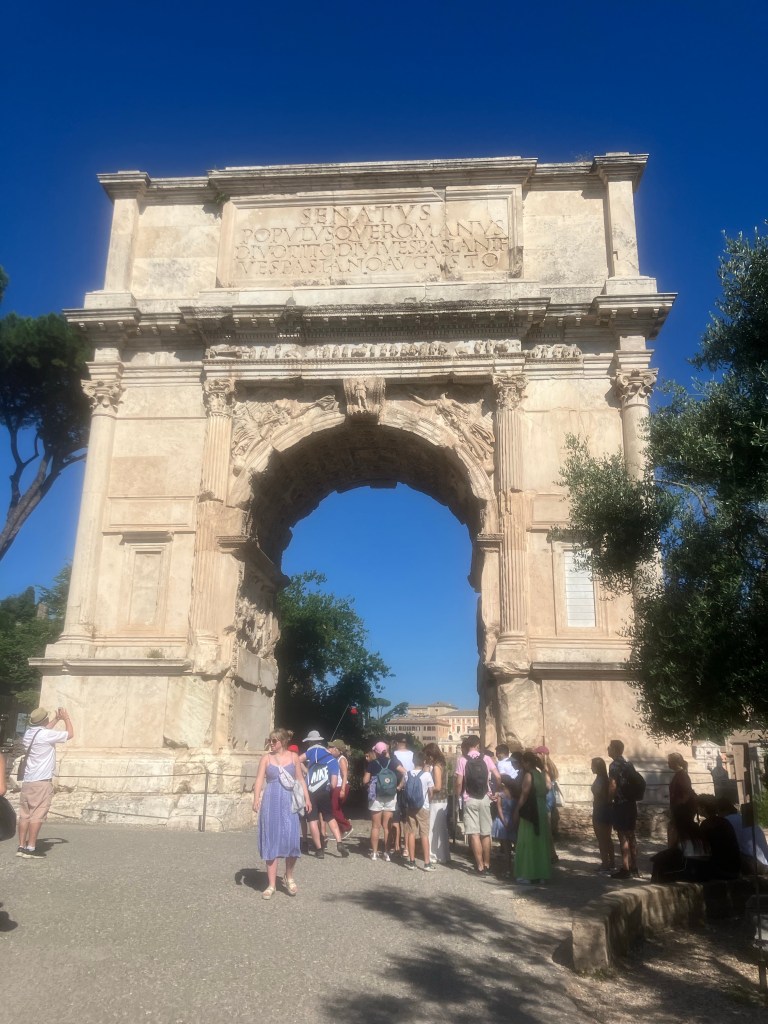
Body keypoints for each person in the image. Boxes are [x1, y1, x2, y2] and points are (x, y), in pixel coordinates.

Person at [252, 729, 311, 899]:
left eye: (274, 741)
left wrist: (307, 798)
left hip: (289, 802)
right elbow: (259, 779)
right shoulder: (266, 758)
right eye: (269, 740)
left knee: (291, 840)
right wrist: (256, 799)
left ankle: (289, 876)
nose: (271, 743)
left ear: (283, 742)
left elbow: (300, 779)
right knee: (271, 840)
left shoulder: (293, 757)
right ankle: (271, 884)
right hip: (270, 802)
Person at [17, 706, 73, 859]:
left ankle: (21, 846)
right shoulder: (46, 735)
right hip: (42, 781)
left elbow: (43, 729)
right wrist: (66, 718)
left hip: (28, 780)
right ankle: (31, 848)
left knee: (24, 815)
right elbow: (70, 734)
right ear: (45, 719)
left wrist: (56, 719)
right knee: (37, 814)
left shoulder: (29, 734)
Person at [454, 734, 501, 875]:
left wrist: (458, 796)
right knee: (486, 833)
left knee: (474, 834)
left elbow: (459, 782)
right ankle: (487, 864)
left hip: (469, 799)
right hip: (485, 797)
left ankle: (480, 866)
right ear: (478, 745)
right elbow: (498, 776)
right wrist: (496, 792)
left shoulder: (462, 760)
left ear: (467, 746)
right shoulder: (486, 758)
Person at [301, 730, 349, 859]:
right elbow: (333, 784)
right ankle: (339, 842)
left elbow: (297, 760)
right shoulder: (333, 760)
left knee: (312, 820)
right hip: (324, 792)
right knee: (330, 817)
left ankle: (319, 850)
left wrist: (307, 771)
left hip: (310, 792)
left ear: (310, 742)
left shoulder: (311, 752)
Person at [512, 750, 552, 884]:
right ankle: (541, 874)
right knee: (540, 841)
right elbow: (547, 788)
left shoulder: (529, 775)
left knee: (527, 840)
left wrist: (517, 810)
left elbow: (524, 795)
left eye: (523, 762)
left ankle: (527, 874)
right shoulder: (541, 774)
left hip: (531, 808)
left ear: (527, 763)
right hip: (541, 807)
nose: (522, 765)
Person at [363, 740, 406, 861]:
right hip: (390, 796)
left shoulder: (372, 763)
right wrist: (399, 786)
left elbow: (365, 780)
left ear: (376, 752)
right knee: (387, 827)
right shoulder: (392, 762)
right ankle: (386, 853)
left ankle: (374, 853)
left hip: (376, 797)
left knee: (375, 826)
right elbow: (405, 772)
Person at [607, 739, 639, 879]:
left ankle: (625, 868)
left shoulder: (614, 765)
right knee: (631, 835)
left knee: (622, 835)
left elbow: (613, 785)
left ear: (614, 749)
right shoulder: (627, 764)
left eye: (609, 747)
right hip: (631, 803)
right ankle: (634, 867)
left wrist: (608, 800)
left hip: (621, 804)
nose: (608, 749)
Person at [403, 751, 435, 870]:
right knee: (424, 834)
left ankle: (412, 861)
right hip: (423, 807)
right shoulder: (427, 775)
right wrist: (429, 800)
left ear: (413, 761)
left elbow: (404, 788)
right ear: (424, 762)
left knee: (411, 832)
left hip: (411, 807)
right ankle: (427, 863)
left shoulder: (407, 774)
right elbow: (431, 792)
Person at [720, 798, 768, 876]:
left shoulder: (726, 821)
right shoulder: (743, 818)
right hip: (764, 861)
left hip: (754, 864)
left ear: (720, 811)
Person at [697, 795, 741, 879]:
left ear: (703, 808)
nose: (697, 809)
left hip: (722, 869)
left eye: (698, 807)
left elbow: (703, 849)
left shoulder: (707, 824)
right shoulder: (725, 821)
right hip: (734, 868)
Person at [423, 742, 450, 864]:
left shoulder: (436, 767)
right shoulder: (442, 764)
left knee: (433, 828)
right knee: (440, 828)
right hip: (442, 800)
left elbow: (437, 786)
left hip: (436, 800)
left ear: (431, 755)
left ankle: (433, 854)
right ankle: (442, 855)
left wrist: (427, 788)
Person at [590, 757, 615, 874]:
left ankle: (605, 864)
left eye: (592, 765)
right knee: (607, 838)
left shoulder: (601, 780)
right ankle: (612, 862)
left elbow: (601, 794)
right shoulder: (606, 779)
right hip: (607, 809)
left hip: (600, 809)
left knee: (601, 839)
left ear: (597, 767)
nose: (591, 767)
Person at [667, 752, 696, 846]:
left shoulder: (682, 775)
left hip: (682, 812)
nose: (668, 763)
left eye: (669, 761)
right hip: (679, 810)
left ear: (675, 762)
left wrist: (678, 807)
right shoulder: (679, 774)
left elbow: (687, 793)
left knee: (679, 836)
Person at [492, 774, 518, 876]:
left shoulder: (501, 795)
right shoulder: (515, 796)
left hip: (503, 822)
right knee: (515, 846)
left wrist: (503, 821)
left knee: (506, 848)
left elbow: (499, 809)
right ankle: (516, 868)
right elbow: (516, 810)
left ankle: (507, 869)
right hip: (513, 820)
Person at [327, 739, 353, 839]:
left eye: (332, 748)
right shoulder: (336, 759)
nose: (330, 749)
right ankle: (341, 831)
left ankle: (347, 826)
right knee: (336, 809)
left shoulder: (341, 759)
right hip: (337, 787)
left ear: (338, 750)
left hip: (340, 787)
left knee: (334, 809)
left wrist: (342, 789)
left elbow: (345, 775)